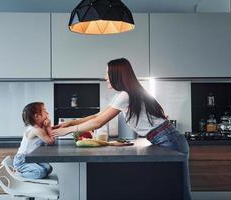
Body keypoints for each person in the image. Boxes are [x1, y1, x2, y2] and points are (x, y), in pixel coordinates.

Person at [51, 58, 191, 200]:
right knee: (170, 188)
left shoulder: (126, 95)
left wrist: (69, 130)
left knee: (175, 189)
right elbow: (97, 115)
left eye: (108, 73)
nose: (106, 77)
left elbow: (98, 122)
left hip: (168, 140)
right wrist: (69, 123)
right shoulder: (127, 94)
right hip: (165, 138)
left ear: (117, 75)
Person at [13, 102, 55, 179]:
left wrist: (46, 127)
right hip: (22, 160)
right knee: (40, 172)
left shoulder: (40, 128)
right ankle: (18, 174)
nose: (47, 113)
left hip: (30, 158)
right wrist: (48, 126)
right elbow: (51, 141)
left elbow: (49, 138)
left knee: (48, 168)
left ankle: (32, 174)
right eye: (45, 111)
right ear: (37, 116)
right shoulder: (37, 130)